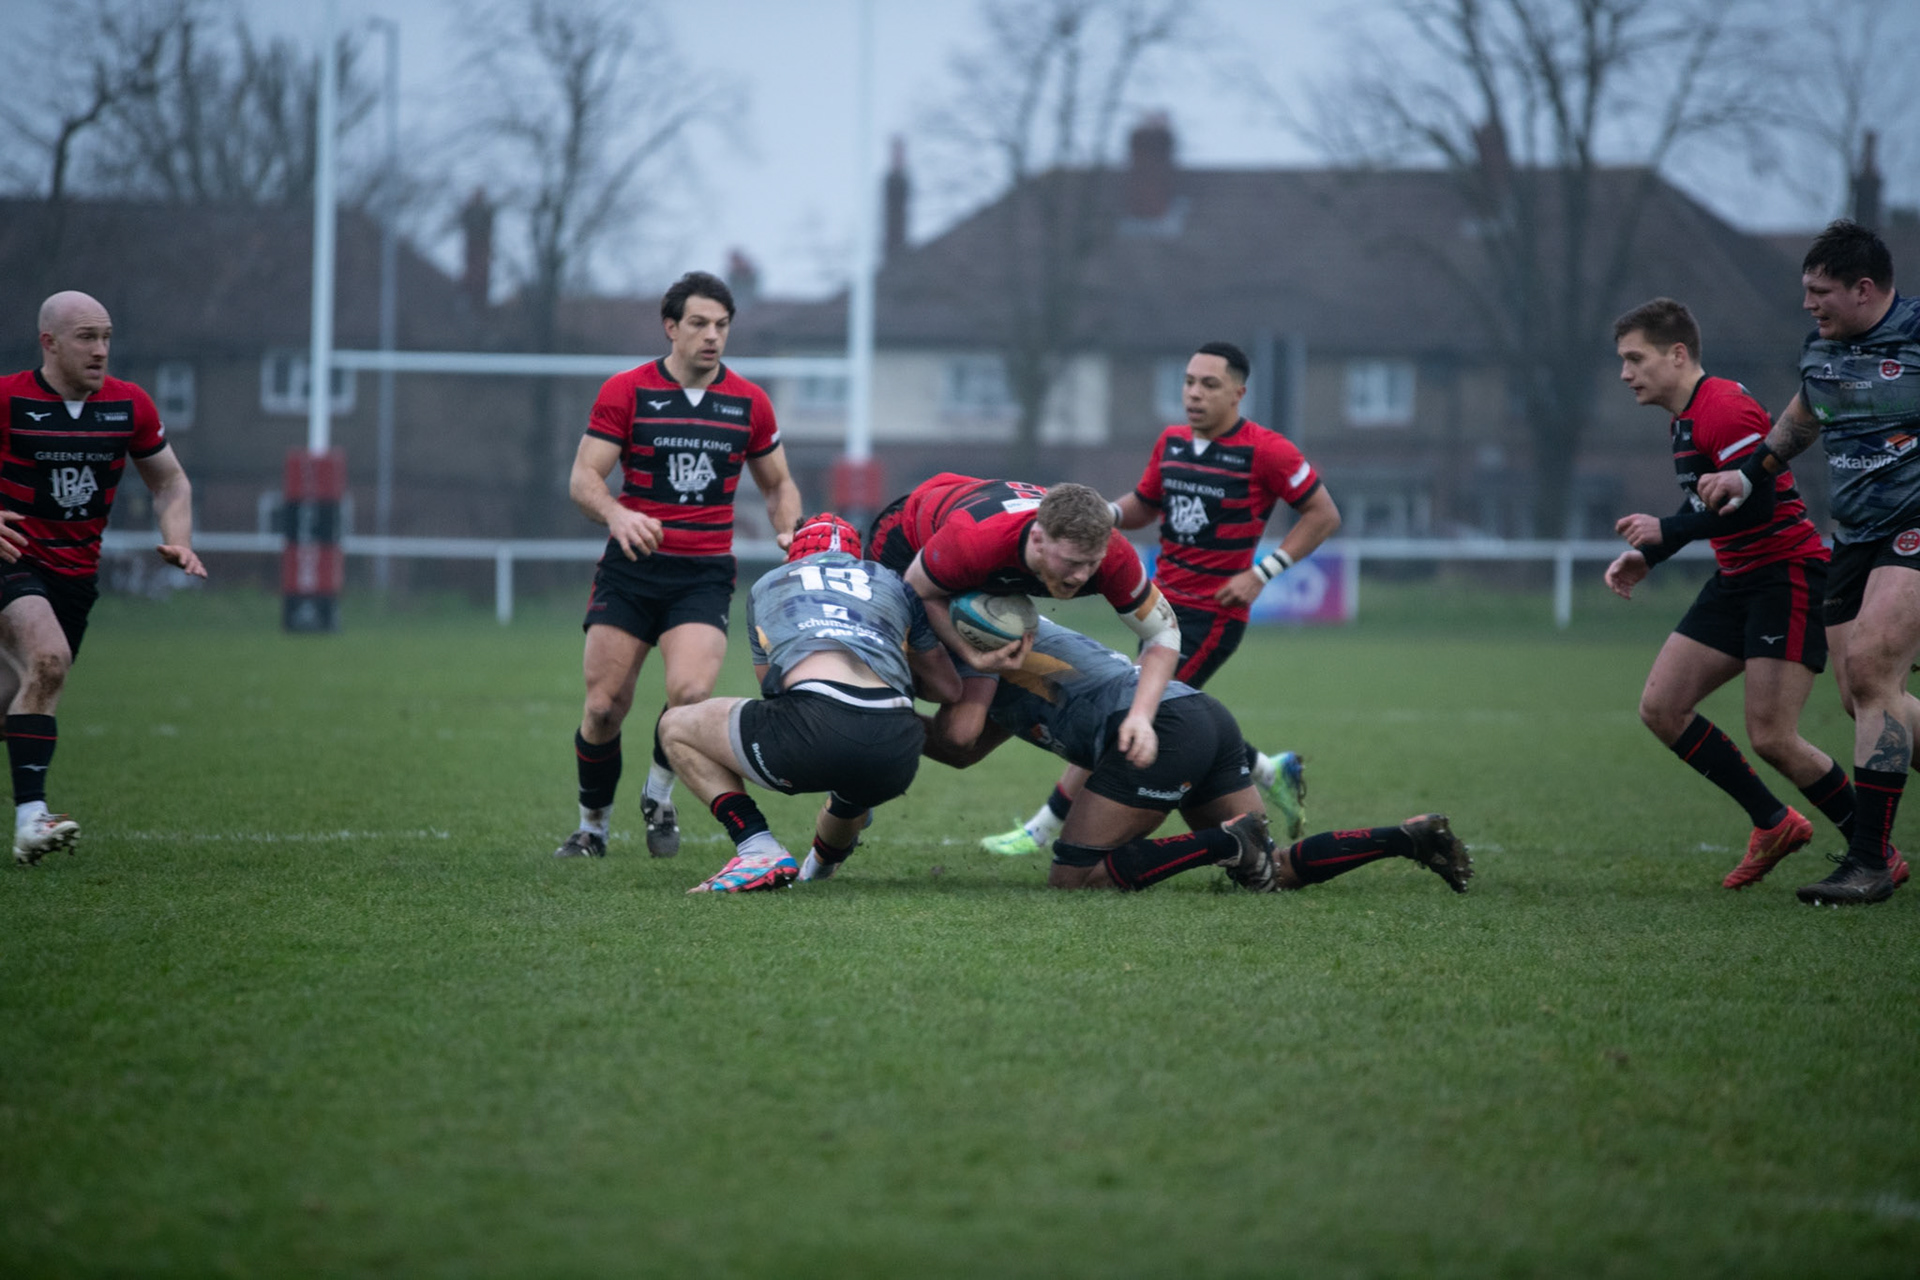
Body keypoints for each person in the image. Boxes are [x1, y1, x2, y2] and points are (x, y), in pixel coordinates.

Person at [979, 341, 1340, 857]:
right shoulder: (1171, 442)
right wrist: (1098, 513)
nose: (1194, 393)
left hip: (1214, 611)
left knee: (1135, 711)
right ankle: (1268, 769)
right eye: (1189, 382)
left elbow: (1323, 515)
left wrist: (1263, 573)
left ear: (1239, 392)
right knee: (1144, 709)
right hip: (1162, 603)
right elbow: (1145, 505)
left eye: (1209, 384)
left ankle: (1041, 828)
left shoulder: (1268, 451)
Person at [1602, 298, 1893, 891]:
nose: (1626, 373)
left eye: (1635, 359)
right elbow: (1705, 501)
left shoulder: (1725, 408)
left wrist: (1668, 531)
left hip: (1786, 576)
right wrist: (1651, 552)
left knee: (1773, 736)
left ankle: (1875, 853)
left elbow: (1752, 499)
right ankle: (1773, 822)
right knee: (1661, 708)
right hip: (1738, 578)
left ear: (1677, 354)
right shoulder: (1684, 417)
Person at [922, 614, 1472, 894]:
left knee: (1075, 878)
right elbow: (961, 748)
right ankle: (1407, 837)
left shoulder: (979, 640)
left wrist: (875, 717)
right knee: (1269, 873)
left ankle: (1223, 842)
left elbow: (958, 728)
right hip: (1201, 714)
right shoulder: (990, 679)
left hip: (1165, 726)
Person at [1698, 221, 1920, 905]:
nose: (1809, 304)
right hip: (1852, 537)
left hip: (1911, 529)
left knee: (1871, 667)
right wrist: (1748, 474)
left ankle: (1869, 862)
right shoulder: (1824, 348)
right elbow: (1806, 413)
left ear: (1863, 289)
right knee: (1863, 701)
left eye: (1820, 292)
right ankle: (1871, 853)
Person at [555, 270, 801, 860]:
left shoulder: (749, 402)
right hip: (632, 571)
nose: (712, 335)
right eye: (698, 323)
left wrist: (789, 529)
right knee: (603, 707)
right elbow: (584, 479)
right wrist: (617, 516)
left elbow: (778, 483)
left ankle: (659, 794)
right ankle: (592, 827)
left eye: (721, 325)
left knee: (689, 693)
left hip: (702, 572)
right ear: (671, 326)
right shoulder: (627, 391)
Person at [0, 291, 206, 865]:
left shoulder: (128, 406)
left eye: (107, 337)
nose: (100, 350)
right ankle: (31, 821)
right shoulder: (6, 398)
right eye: (86, 337)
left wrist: (179, 539)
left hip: (74, 577)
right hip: (12, 561)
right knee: (48, 661)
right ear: (49, 343)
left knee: (13, 707)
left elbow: (171, 483)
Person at [659, 513, 961, 892]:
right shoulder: (893, 583)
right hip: (897, 747)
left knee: (675, 726)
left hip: (816, 725)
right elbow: (947, 690)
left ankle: (757, 848)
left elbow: (774, 689)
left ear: (795, 553)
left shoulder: (769, 584)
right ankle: (819, 869)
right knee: (852, 787)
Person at [868, 474, 1185, 775]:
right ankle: (854, 764)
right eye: (1072, 563)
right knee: (903, 681)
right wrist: (969, 654)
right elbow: (917, 590)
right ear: (1037, 539)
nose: (1082, 576)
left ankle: (873, 719)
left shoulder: (1114, 556)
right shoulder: (976, 541)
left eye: (1092, 563)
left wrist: (1141, 716)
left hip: (977, 575)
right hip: (906, 550)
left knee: (960, 740)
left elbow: (1163, 632)